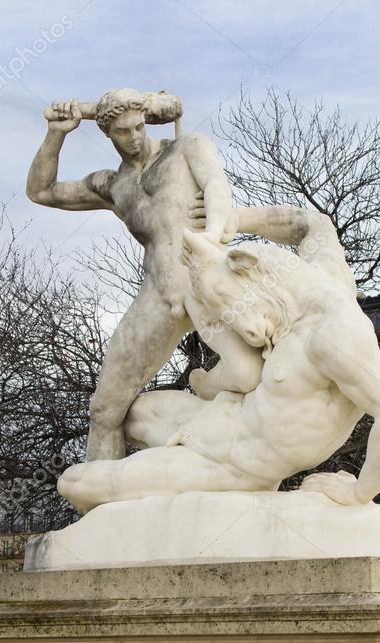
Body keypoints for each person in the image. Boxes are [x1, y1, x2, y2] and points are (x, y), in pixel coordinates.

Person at [58, 207, 380, 511]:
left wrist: (359, 492)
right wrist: (233, 219)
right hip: (222, 416)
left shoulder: (332, 334)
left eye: (230, 304)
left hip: (234, 465)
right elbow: (314, 225)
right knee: (132, 412)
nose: (240, 326)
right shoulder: (320, 276)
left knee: (74, 482)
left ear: (244, 267)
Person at [26, 88, 264, 462]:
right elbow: (41, 191)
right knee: (104, 410)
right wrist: (57, 133)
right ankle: (101, 508)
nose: (134, 137)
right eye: (123, 131)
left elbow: (217, 186)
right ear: (108, 133)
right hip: (157, 293)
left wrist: (212, 237)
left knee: (248, 373)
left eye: (139, 127)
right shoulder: (112, 185)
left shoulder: (186, 148)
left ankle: (217, 422)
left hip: (204, 282)